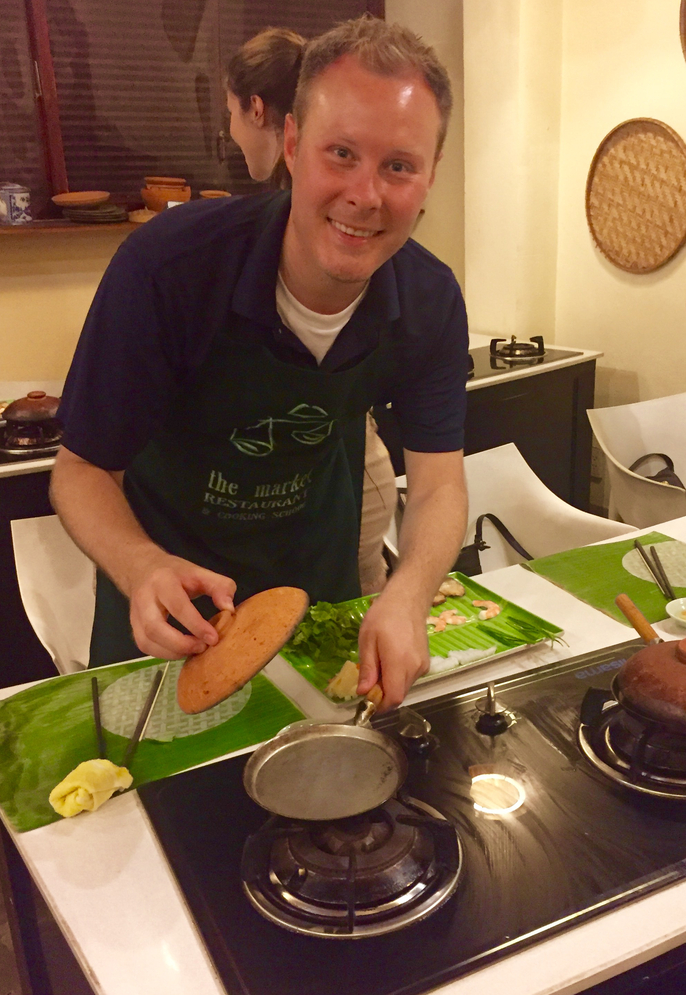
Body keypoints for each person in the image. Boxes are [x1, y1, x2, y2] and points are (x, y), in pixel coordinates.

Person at [51, 15, 469, 711]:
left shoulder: (430, 300)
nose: (366, 195)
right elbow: (81, 471)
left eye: (398, 165)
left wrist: (408, 594)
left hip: (319, 611)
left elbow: (437, 485)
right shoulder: (168, 269)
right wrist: (141, 566)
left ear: (430, 176)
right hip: (170, 616)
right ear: (294, 145)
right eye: (341, 153)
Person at [225, 26, 397, 595]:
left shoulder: (411, 283)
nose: (362, 195)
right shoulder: (201, 252)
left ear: (255, 108)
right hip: (253, 493)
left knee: (352, 617)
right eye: (341, 154)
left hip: (342, 472)